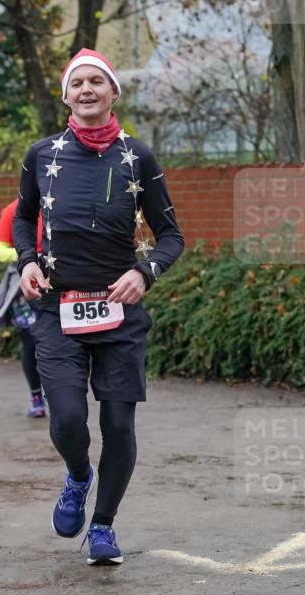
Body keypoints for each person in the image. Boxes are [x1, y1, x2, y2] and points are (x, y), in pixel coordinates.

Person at [13, 48, 184, 566]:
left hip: (119, 316)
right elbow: (22, 218)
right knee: (67, 420)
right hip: (57, 310)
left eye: (96, 82)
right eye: (77, 83)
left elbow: (172, 236)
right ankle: (79, 476)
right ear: (65, 96)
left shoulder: (139, 157)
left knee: (118, 426)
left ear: (113, 93)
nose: (86, 90)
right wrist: (26, 263)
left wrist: (143, 272)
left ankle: (104, 527)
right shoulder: (42, 155)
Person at [0, 198, 46, 418]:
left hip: (65, 285)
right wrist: (27, 256)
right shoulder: (14, 209)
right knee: (30, 341)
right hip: (26, 288)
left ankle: (61, 395)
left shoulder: (67, 201)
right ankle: (36, 398)